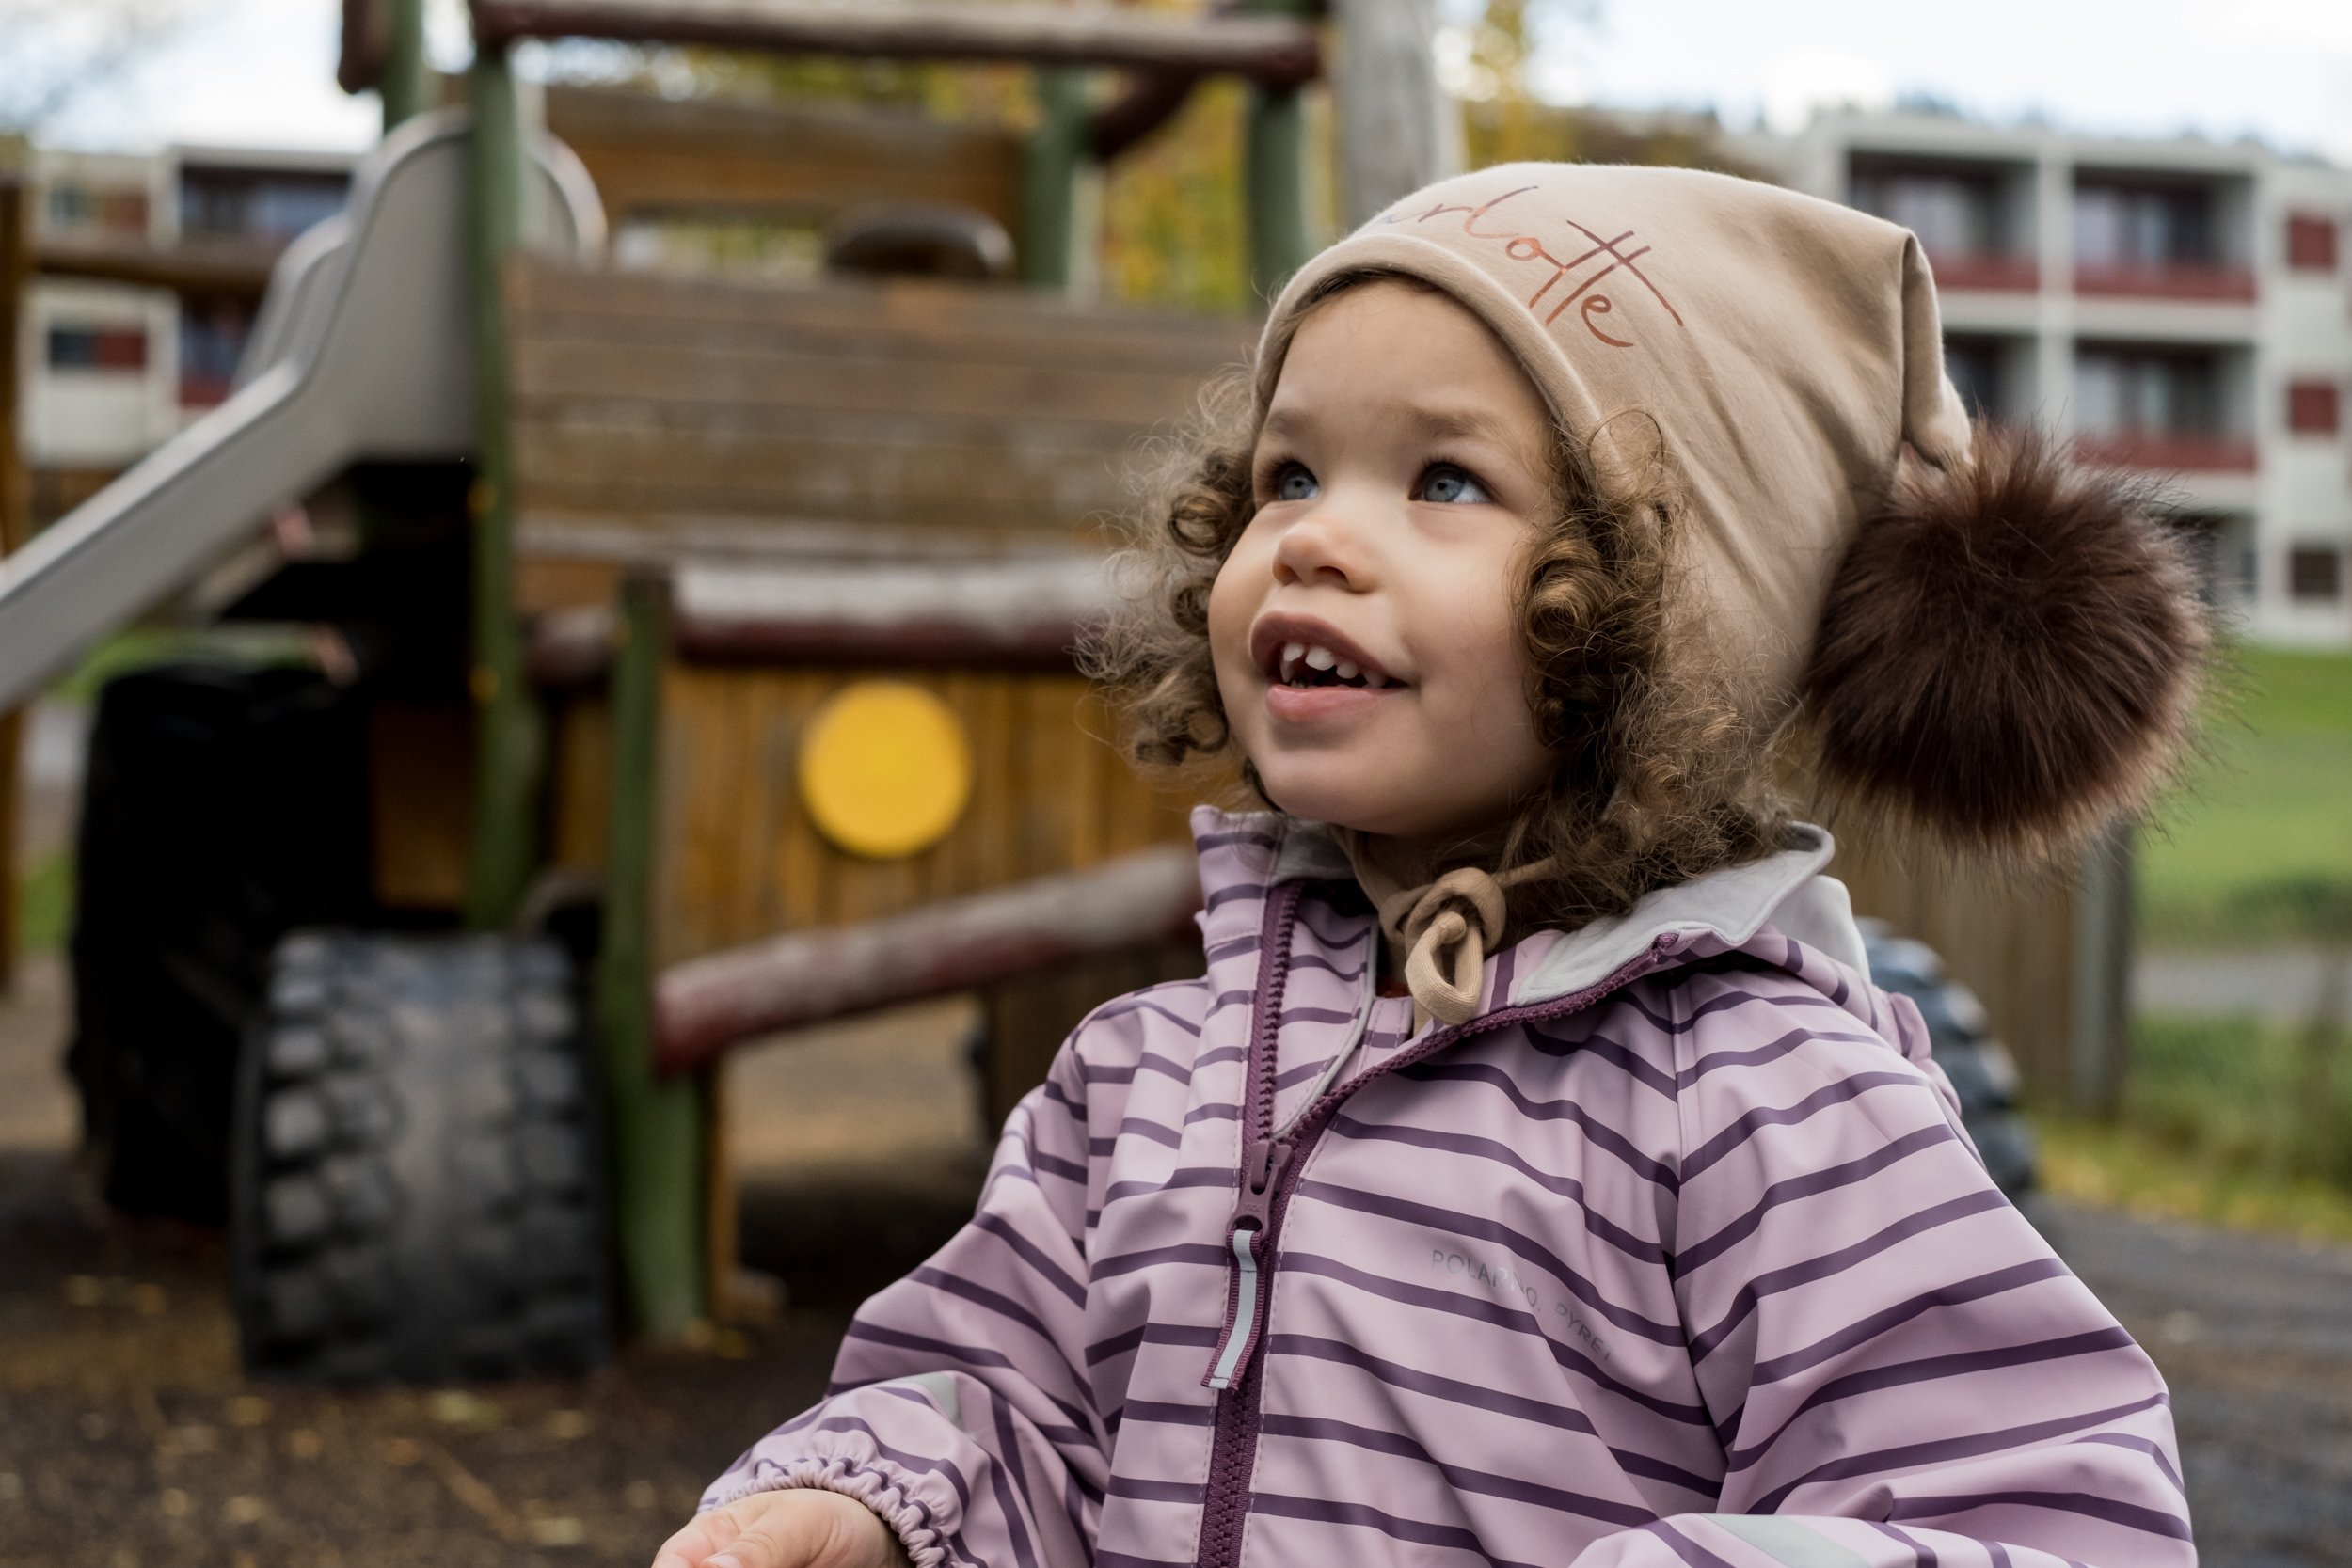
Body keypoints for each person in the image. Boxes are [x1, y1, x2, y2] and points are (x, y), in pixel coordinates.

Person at [654, 165, 2205, 1568]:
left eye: (1445, 481)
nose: (1315, 541)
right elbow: (1013, 1404)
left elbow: (2045, 1517)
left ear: (1662, 622)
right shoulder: (1146, 1076)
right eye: (1288, 476)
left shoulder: (1764, 1096)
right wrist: (871, 1500)